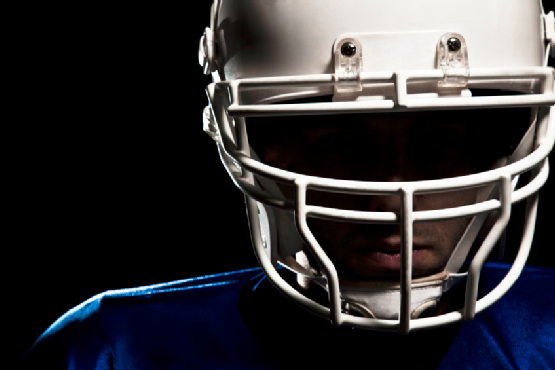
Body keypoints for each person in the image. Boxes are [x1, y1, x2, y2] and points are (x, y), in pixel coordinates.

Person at [19, 0, 555, 369]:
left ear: (508, 141)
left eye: (437, 143)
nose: (392, 195)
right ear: (253, 144)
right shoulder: (111, 354)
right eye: (340, 143)